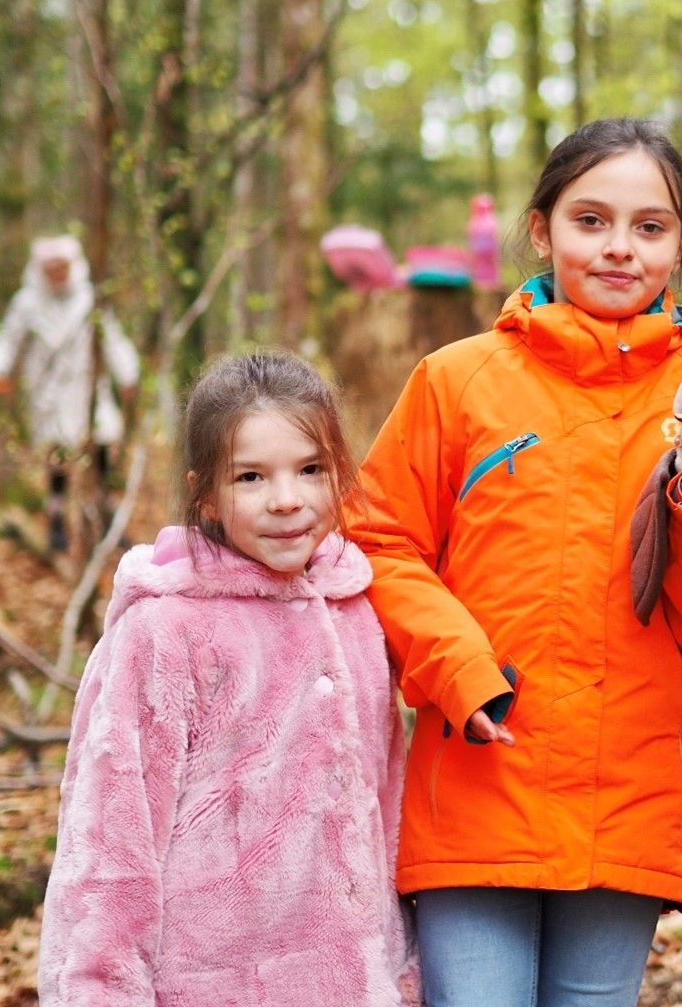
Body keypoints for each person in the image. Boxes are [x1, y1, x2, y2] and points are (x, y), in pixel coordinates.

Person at [349, 118, 682, 1007]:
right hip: (478, 770)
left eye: (649, 227)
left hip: (629, 783)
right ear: (541, 230)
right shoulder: (456, 379)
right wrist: (456, 668)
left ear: (681, 245)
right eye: (591, 220)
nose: (620, 247)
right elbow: (379, 542)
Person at [38, 352, 418, 1007]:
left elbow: (386, 803)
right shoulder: (166, 629)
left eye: (311, 469)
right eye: (250, 477)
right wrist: (100, 989)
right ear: (207, 494)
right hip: (206, 985)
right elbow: (111, 842)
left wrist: (401, 969)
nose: (287, 499)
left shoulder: (354, 611)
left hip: (355, 984)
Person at [0, 235, 139, 551]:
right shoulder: (27, 303)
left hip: (88, 389)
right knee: (57, 458)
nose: (57, 274)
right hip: (50, 395)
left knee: (100, 450)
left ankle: (105, 518)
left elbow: (112, 338)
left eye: (62, 267)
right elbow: (9, 341)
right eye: (51, 269)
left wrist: (127, 373)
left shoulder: (89, 298)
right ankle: (57, 522)